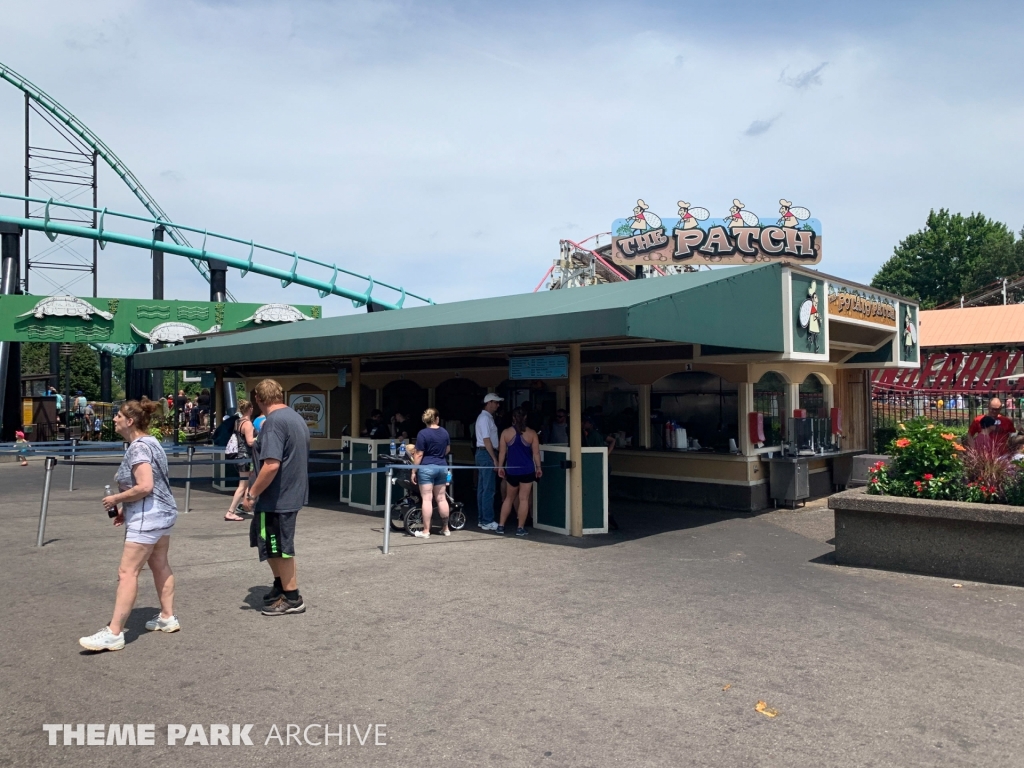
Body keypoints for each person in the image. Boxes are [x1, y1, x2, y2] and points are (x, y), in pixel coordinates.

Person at [79, 399, 179, 652]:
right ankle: (167, 616)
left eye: (118, 416)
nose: (114, 419)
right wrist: (126, 508)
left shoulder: (137, 448)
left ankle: (114, 632)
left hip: (148, 517)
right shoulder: (152, 442)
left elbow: (145, 486)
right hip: (162, 513)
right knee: (160, 564)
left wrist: (116, 499)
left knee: (127, 572)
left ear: (130, 421)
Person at [241, 379, 310, 616]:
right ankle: (281, 585)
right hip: (288, 493)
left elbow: (271, 465)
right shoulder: (295, 418)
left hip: (278, 497)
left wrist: (251, 493)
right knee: (267, 542)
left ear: (258, 400)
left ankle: (292, 597)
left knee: (279, 546)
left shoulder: (273, 423)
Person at [496, 408, 542, 536]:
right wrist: (538, 468)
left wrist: (500, 467)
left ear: (513, 418)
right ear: (526, 417)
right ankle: (520, 528)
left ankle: (500, 526)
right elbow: (536, 453)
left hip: (512, 470)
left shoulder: (506, 433)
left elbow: (502, 452)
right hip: (527, 470)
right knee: (524, 499)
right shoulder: (532, 433)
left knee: (509, 498)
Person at [410, 407, 451, 538]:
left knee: (427, 499)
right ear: (437, 419)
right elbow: (447, 450)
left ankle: (426, 531)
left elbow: (418, 454)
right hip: (442, 466)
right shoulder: (444, 432)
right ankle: (445, 528)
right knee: (441, 498)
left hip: (426, 467)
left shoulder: (423, 434)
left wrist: (413, 471)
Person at [474, 393, 503, 531]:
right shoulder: (485, 418)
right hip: (486, 454)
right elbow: (486, 440)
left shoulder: (484, 418)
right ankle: (487, 520)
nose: (497, 405)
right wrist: (495, 459)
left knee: (482, 488)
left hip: (482, 453)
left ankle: (482, 519)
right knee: (488, 489)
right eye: (496, 402)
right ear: (489, 402)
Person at [225, 400, 256, 521]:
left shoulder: (238, 421)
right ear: (250, 409)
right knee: (242, 485)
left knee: (248, 482)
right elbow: (249, 441)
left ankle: (245, 506)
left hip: (240, 456)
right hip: (245, 456)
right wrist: (260, 438)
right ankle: (230, 511)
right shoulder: (247, 424)